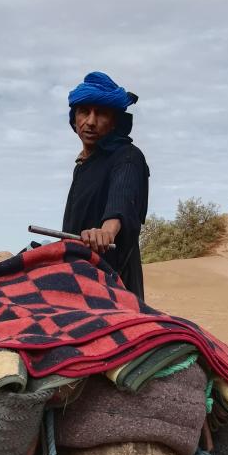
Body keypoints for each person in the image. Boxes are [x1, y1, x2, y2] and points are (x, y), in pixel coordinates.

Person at [62, 70, 149, 299]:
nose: (90, 122)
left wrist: (106, 232)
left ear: (114, 122)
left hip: (114, 285)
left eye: (100, 113)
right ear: (74, 118)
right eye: (84, 112)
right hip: (77, 280)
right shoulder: (82, 166)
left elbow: (123, 194)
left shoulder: (127, 156)